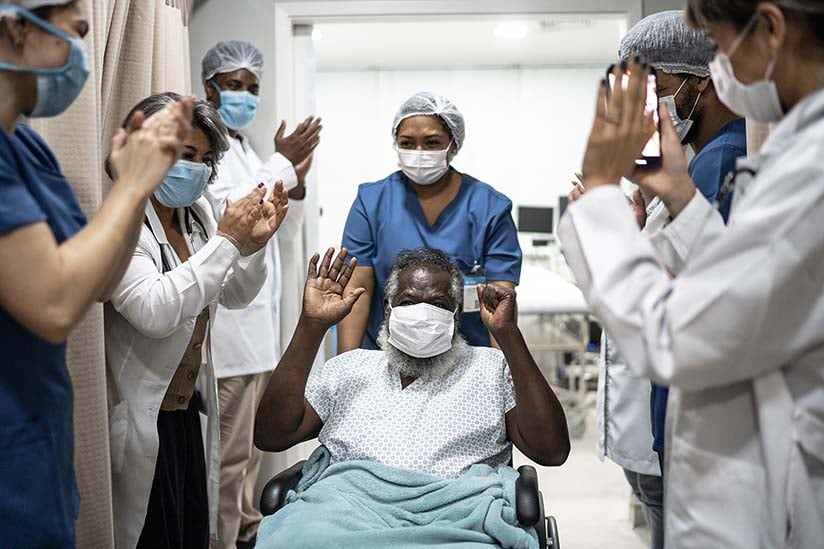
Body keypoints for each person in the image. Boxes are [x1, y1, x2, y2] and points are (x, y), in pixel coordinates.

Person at [558, 1, 824, 547]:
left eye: (720, 46)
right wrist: (679, 193)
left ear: (770, 28)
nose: (717, 68)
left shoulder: (811, 169)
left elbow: (677, 335)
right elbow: (745, 284)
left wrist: (602, 194)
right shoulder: (794, 151)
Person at [0, 2, 190, 547]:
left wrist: (131, 193)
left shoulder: (27, 146)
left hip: (40, 437)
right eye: (76, 33)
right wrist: (132, 187)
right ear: (17, 25)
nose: (82, 54)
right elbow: (54, 305)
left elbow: (100, 282)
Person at [254, 247, 569, 546]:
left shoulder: (490, 369)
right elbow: (271, 435)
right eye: (408, 302)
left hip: (457, 520)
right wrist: (311, 327)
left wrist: (509, 336)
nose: (423, 314)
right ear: (387, 309)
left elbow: (551, 451)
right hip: (342, 512)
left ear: (455, 315)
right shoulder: (348, 369)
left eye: (438, 304)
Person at [582, 12, 748, 549]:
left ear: (699, 79)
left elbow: (691, 305)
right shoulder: (700, 161)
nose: (642, 111)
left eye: (652, 89)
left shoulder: (721, 159)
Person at [105, 92, 288, 549]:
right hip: (142, 413)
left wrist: (252, 246)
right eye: (185, 154)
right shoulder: (123, 220)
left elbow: (237, 294)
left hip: (187, 412)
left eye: (206, 159)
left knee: (189, 531)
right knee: (151, 535)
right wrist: (228, 241)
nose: (197, 169)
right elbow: (155, 310)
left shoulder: (198, 215)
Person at [199, 39, 321, 549]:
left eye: (253, 87)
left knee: (247, 457)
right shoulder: (209, 147)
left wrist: (290, 181)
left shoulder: (246, 147)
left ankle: (246, 532)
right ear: (210, 88)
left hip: (256, 337)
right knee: (227, 461)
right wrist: (282, 163)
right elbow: (236, 212)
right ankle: (222, 542)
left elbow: (270, 220)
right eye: (234, 86)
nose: (245, 96)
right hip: (226, 340)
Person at [337, 92, 522, 353]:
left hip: (467, 359)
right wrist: (346, 366)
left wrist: (504, 375)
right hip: (386, 357)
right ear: (395, 144)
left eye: (432, 142)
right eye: (407, 143)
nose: (419, 152)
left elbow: (500, 301)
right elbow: (357, 290)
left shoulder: (490, 208)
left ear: (453, 145)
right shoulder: (371, 202)